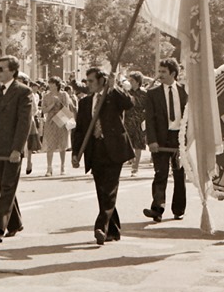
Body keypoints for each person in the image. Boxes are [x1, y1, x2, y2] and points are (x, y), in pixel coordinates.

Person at [72, 67, 133, 244]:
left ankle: (100, 227)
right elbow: (80, 130)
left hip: (114, 148)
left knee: (110, 189)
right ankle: (112, 230)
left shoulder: (113, 97)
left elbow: (129, 103)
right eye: (87, 81)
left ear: (101, 81)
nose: (88, 84)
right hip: (95, 149)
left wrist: (115, 88)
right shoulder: (85, 103)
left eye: (91, 81)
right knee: (102, 191)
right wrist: (76, 153)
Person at [0, 56, 33, 242]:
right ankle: (15, 223)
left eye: (1, 69)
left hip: (12, 149)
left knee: (7, 187)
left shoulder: (23, 92)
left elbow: (24, 123)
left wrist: (17, 149)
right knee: (4, 186)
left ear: (13, 71)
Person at [143, 58, 188, 222]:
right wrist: (152, 141)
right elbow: (149, 119)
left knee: (179, 175)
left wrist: (188, 140)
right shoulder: (152, 94)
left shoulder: (184, 92)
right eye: (159, 71)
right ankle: (157, 209)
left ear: (173, 73)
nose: (160, 75)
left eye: (164, 72)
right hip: (161, 140)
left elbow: (190, 117)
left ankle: (178, 209)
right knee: (160, 174)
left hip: (179, 138)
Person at [41, 77, 75, 176]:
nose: (51, 86)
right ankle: (49, 168)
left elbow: (67, 108)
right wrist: (52, 104)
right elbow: (44, 110)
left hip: (62, 118)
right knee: (50, 145)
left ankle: (62, 167)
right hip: (50, 121)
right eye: (50, 84)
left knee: (62, 144)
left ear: (57, 85)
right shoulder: (46, 96)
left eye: (53, 84)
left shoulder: (64, 94)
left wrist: (58, 102)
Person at [123, 71, 148, 176]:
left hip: (139, 122)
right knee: (127, 143)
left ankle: (135, 167)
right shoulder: (126, 93)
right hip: (128, 121)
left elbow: (145, 106)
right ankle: (131, 160)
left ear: (138, 82)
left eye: (132, 80)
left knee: (138, 145)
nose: (130, 82)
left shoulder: (144, 93)